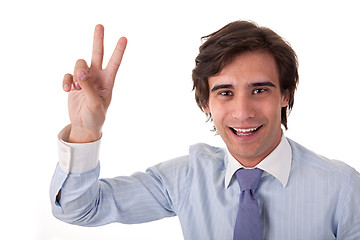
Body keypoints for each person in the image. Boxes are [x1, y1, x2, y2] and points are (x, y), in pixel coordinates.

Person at [50, 21, 360, 239]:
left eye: (259, 90)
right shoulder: (186, 178)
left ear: (285, 95)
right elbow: (79, 209)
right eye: (225, 92)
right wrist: (83, 131)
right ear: (205, 104)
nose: (242, 112)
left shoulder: (343, 189)